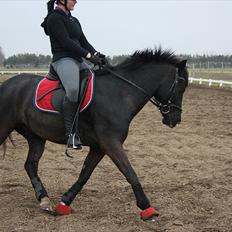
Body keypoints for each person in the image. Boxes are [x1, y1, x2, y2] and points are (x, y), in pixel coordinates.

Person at [41, 0, 106, 149]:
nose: (75, 1)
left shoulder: (73, 19)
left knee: (94, 80)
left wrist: (97, 53)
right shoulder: (54, 18)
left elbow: (83, 41)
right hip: (63, 59)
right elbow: (66, 42)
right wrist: (88, 56)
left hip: (77, 60)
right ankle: (70, 133)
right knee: (73, 90)